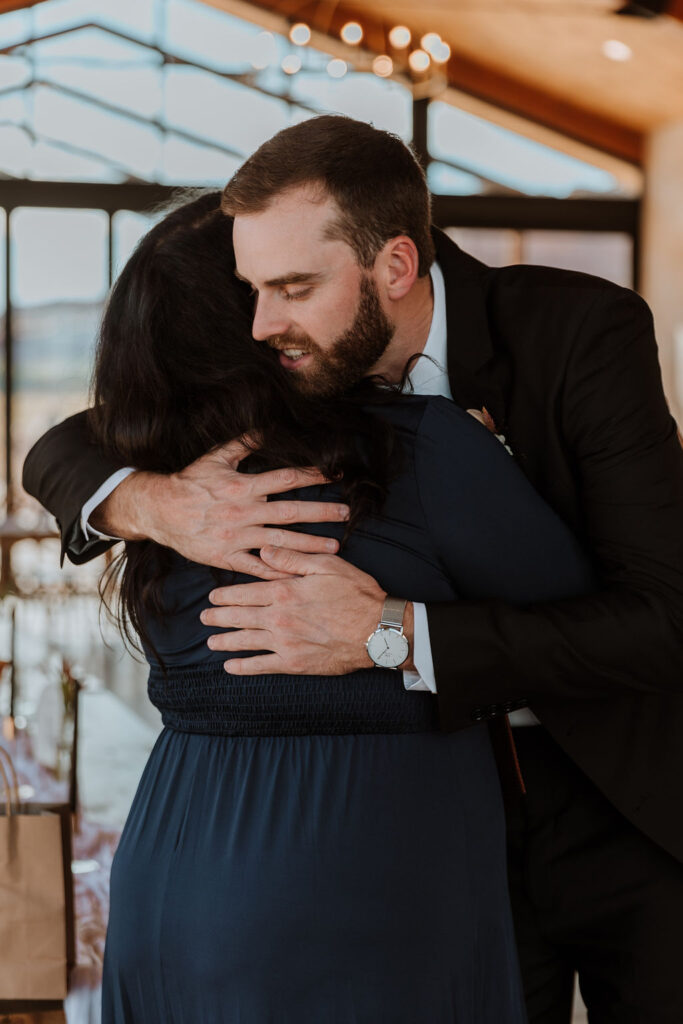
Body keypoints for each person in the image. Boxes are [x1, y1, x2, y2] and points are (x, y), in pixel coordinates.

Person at [23, 117, 683, 1023]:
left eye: (292, 287)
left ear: (396, 268)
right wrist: (156, 502)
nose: (262, 324)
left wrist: (392, 633)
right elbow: (65, 448)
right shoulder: (289, 362)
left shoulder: (577, 331)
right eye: (253, 290)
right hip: (435, 822)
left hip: (615, 798)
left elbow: (662, 619)